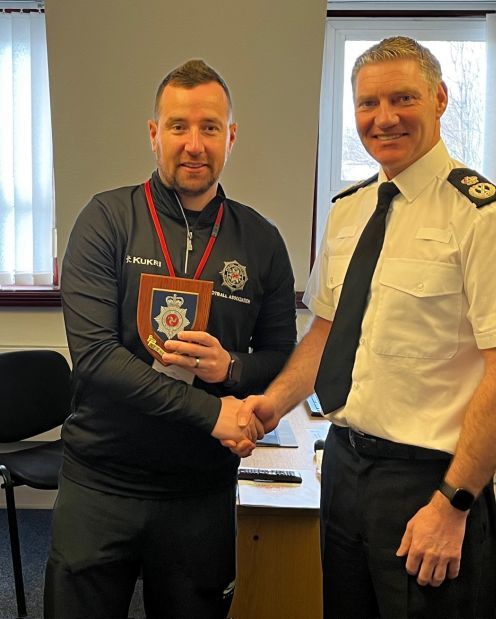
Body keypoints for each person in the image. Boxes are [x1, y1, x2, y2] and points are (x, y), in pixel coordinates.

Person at [234, 37, 496, 618]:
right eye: (367, 104)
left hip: (431, 479)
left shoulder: (487, 219)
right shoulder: (348, 211)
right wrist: (272, 404)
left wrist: (453, 504)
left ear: (440, 99)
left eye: (403, 98)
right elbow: (326, 332)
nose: (384, 118)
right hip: (345, 466)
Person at [44, 59, 296, 619]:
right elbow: (95, 360)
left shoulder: (261, 240)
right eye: (178, 126)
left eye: (210, 127)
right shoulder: (106, 219)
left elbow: (281, 358)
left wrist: (228, 370)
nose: (194, 144)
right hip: (101, 481)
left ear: (230, 136)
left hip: (199, 492)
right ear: (154, 133)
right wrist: (211, 414)